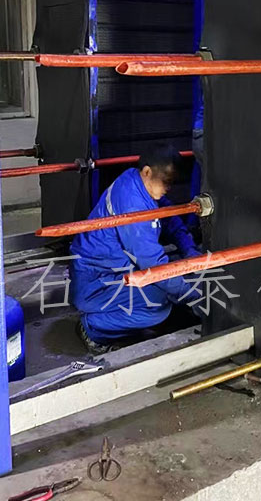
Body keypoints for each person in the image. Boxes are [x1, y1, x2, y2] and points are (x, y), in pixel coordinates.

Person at [70, 144, 202, 354]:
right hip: (95, 281)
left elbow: (169, 218)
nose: (169, 188)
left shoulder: (139, 182)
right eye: (166, 181)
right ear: (147, 171)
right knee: (157, 306)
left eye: (172, 182)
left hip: (113, 268)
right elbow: (153, 264)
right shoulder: (132, 203)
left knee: (174, 280)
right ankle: (92, 328)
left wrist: (189, 249)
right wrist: (194, 296)